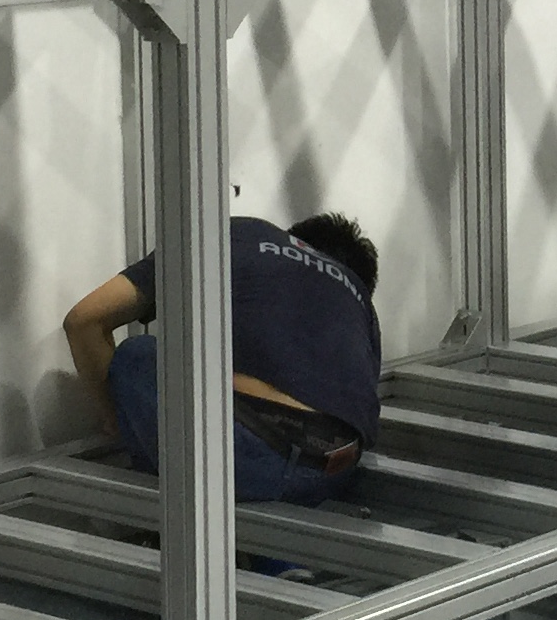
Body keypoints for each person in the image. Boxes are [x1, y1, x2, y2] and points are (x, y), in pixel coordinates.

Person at [63, 211, 383, 504]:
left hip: (246, 459)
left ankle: (159, 522)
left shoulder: (239, 234)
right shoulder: (360, 300)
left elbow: (84, 320)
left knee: (137, 354)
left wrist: (116, 419)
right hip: (333, 473)